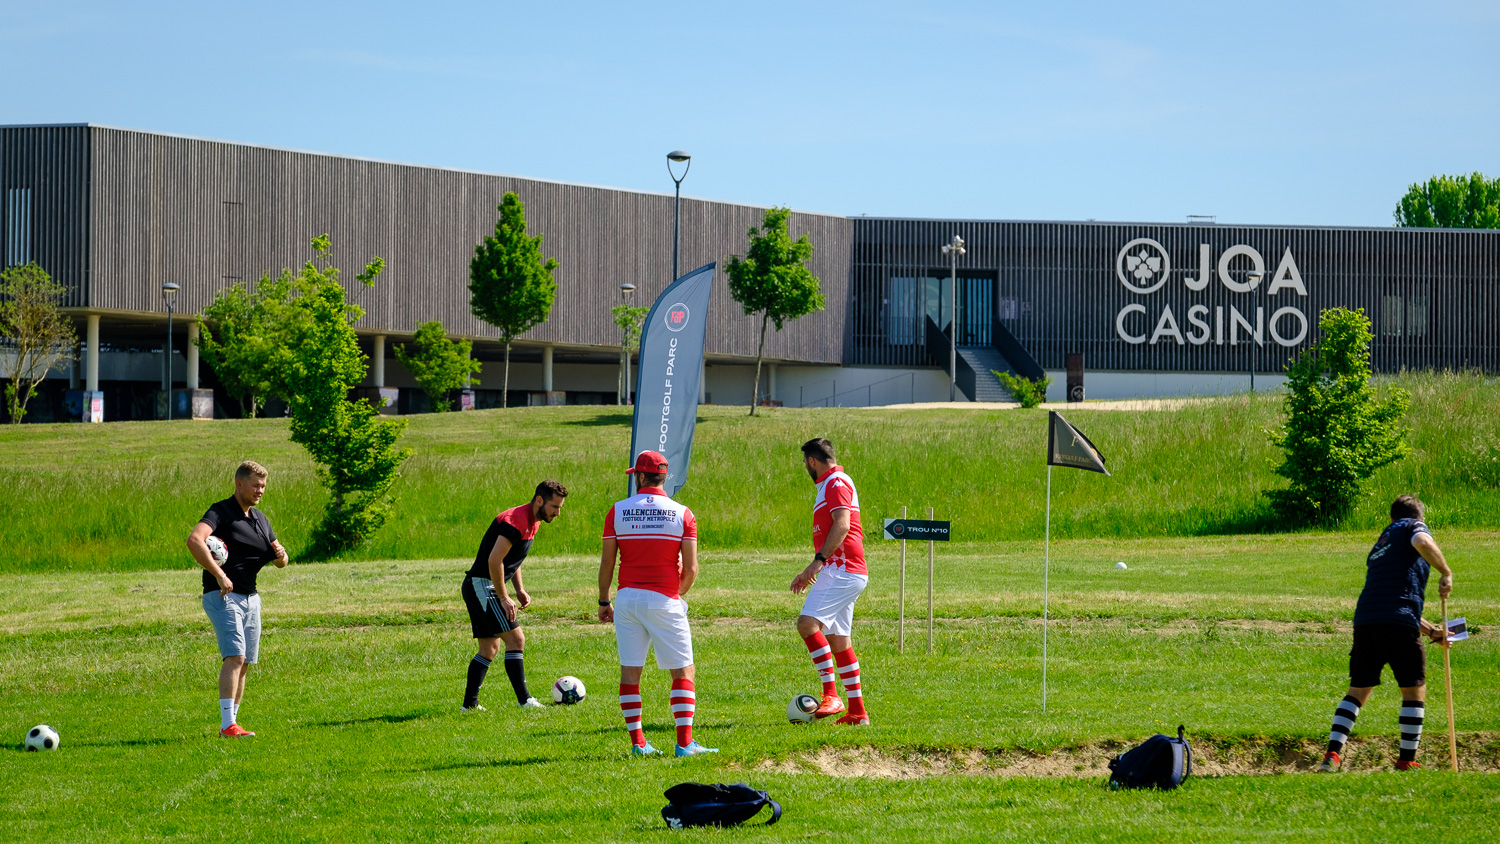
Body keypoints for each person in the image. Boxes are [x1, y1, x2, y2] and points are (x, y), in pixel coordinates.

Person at [1317, 495, 1454, 772]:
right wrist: (1445, 572)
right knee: (1414, 690)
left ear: (1390, 519)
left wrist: (1431, 631)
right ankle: (1407, 760)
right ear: (1421, 518)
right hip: (1397, 622)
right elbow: (1422, 542)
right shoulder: (1413, 528)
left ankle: (1331, 756)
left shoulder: (1382, 543)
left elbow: (1392, 601)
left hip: (1367, 621)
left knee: (1358, 689)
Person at [598, 451, 716, 757]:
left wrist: (603, 600)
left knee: (630, 673)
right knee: (682, 671)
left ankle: (639, 744)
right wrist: (675, 593)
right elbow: (690, 569)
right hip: (664, 599)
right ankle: (684, 743)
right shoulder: (683, 513)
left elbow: (607, 563)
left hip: (626, 599)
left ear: (639, 476)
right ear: (664, 478)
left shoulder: (618, 511)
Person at [187, 460, 289, 738]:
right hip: (223, 595)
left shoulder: (260, 519)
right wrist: (219, 574)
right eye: (255, 485)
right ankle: (226, 726)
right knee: (235, 655)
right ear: (239, 484)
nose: (260, 491)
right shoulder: (220, 511)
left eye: (264, 486)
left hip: (251, 598)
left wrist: (282, 556)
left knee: (245, 663)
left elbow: (281, 562)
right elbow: (195, 540)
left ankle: (232, 724)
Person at [461, 480, 568, 711]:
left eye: (560, 508)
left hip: (484, 585)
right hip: (482, 585)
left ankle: (469, 706)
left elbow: (512, 558)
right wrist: (503, 597)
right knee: (516, 639)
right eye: (555, 507)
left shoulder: (533, 523)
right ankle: (525, 700)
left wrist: (519, 589)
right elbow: (494, 560)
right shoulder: (515, 521)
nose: (558, 513)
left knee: (489, 649)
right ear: (539, 500)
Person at [790, 437, 870, 726]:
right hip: (843, 570)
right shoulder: (831, 484)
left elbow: (843, 524)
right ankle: (858, 713)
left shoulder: (836, 482)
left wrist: (818, 562)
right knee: (838, 640)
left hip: (842, 569)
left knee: (807, 624)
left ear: (812, 461)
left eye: (805, 464)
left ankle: (831, 695)